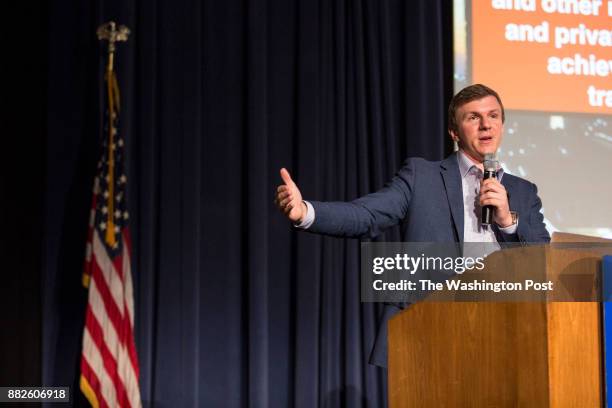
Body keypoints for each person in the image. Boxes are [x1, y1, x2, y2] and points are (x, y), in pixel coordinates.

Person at [274, 83, 551, 367]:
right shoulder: (422, 176)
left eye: (493, 116)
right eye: (473, 118)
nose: (485, 126)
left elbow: (543, 263)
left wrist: (506, 222)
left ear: (502, 125)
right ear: (454, 132)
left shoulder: (523, 192)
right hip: (430, 331)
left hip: (504, 334)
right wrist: (305, 211)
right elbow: (367, 215)